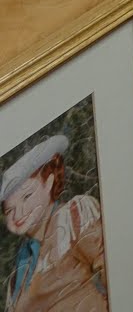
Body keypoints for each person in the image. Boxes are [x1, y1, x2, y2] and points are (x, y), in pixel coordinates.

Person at [1, 133, 107, 312]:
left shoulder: (73, 217)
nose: (18, 214)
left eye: (27, 196)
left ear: (49, 182)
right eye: (9, 210)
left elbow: (115, 270)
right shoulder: (21, 267)